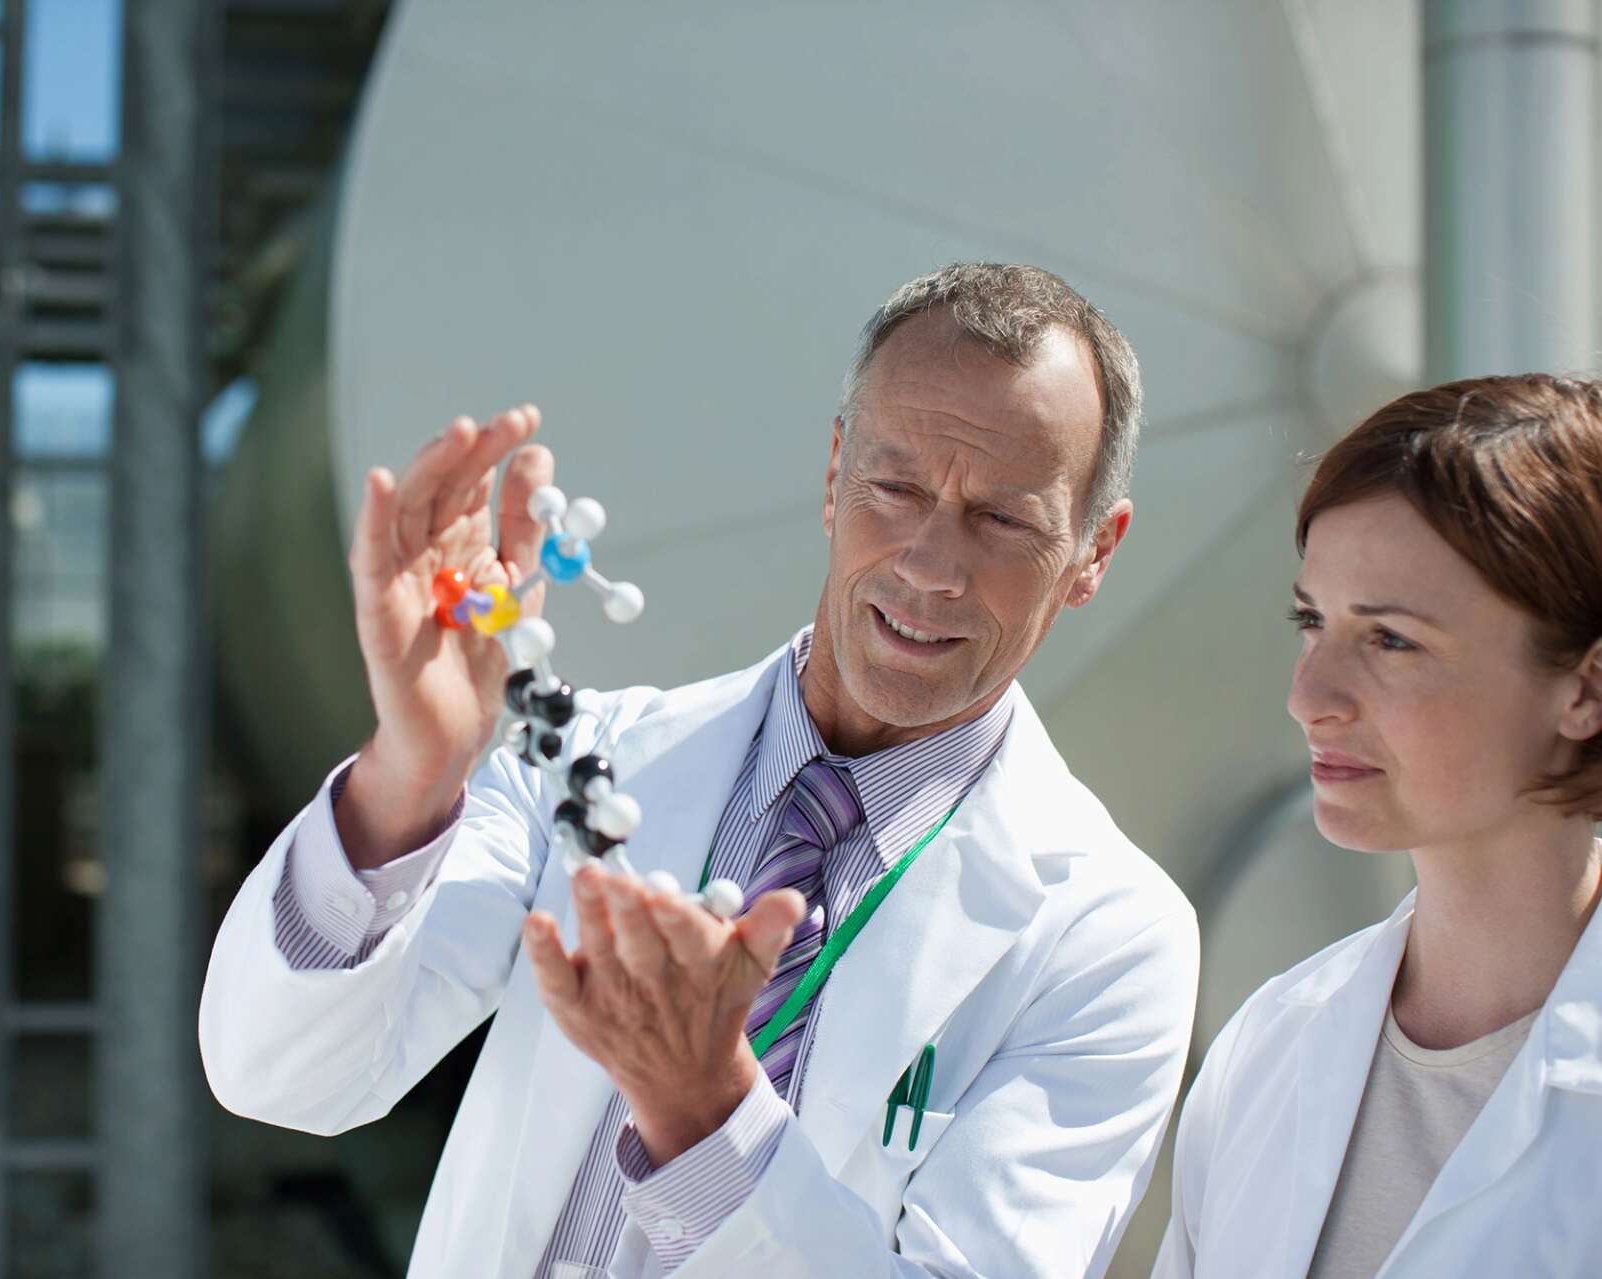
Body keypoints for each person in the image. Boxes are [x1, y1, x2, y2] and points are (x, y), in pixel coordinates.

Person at [200, 263, 1200, 1278]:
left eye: (1003, 521)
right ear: (833, 473)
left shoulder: (1112, 942)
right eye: (895, 487)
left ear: (1093, 554)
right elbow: (283, 1074)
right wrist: (409, 777)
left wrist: (704, 1116)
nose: (929, 565)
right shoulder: (582, 764)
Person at [1153, 375, 1602, 1278]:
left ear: (1585, 688)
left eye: (1391, 639)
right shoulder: (1268, 1046)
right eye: (1311, 620)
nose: (1307, 697)